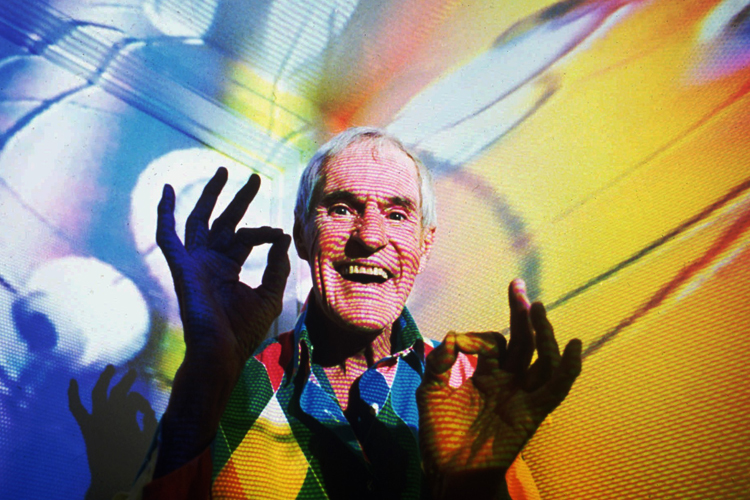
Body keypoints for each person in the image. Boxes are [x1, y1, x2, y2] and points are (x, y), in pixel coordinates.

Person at [127, 127, 581, 499]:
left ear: (425, 244)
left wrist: (474, 490)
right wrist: (206, 371)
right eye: (342, 208)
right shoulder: (228, 383)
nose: (370, 236)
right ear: (302, 234)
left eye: (398, 215)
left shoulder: (469, 384)